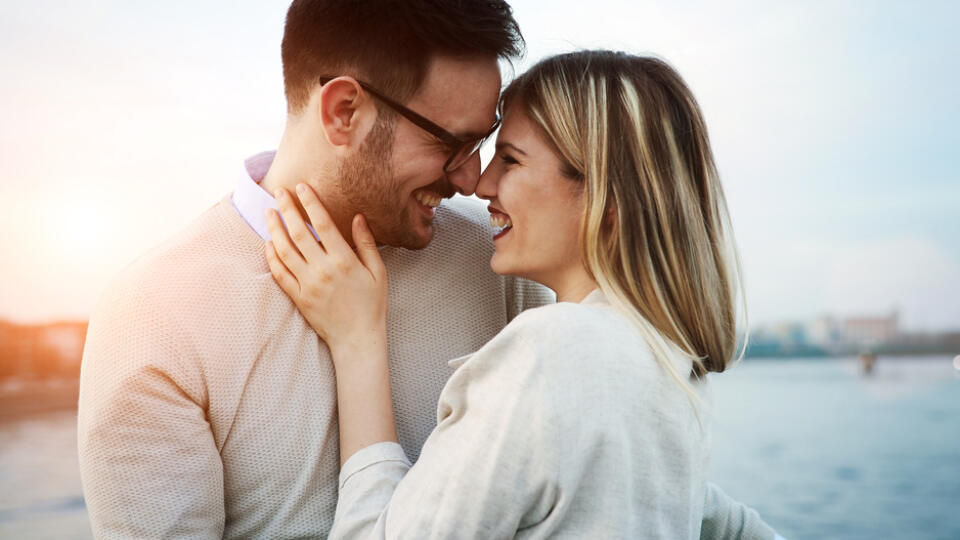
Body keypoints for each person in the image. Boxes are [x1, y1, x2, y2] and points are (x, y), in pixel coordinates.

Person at [78, 1, 776, 538]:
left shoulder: (504, 264)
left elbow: (622, 471)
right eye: (455, 143)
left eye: (493, 148)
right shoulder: (154, 316)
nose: (475, 180)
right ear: (344, 110)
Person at [264, 50, 778, 539]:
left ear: (608, 196)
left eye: (509, 160)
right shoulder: (664, 364)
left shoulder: (550, 352)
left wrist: (358, 343)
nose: (481, 183)